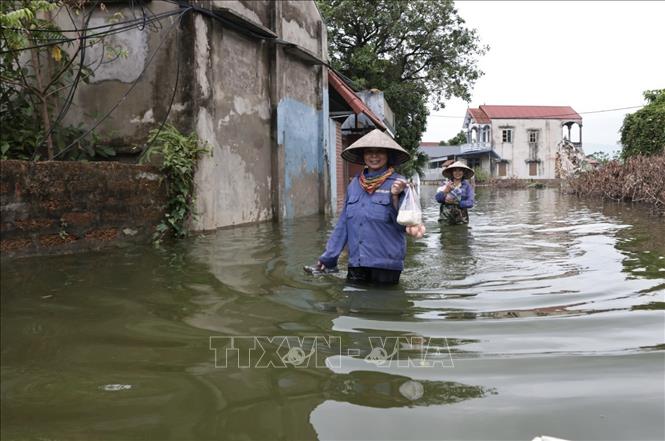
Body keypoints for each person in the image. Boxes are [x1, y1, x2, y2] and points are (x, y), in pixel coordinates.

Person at [307, 129, 421, 285]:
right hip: (357, 261)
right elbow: (343, 224)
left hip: (386, 264)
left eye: (379, 151)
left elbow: (405, 227)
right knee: (354, 305)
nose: (374, 156)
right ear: (363, 156)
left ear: (388, 155)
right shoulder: (354, 184)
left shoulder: (400, 184)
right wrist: (328, 257)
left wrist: (395, 196)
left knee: (385, 308)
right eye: (369, 152)